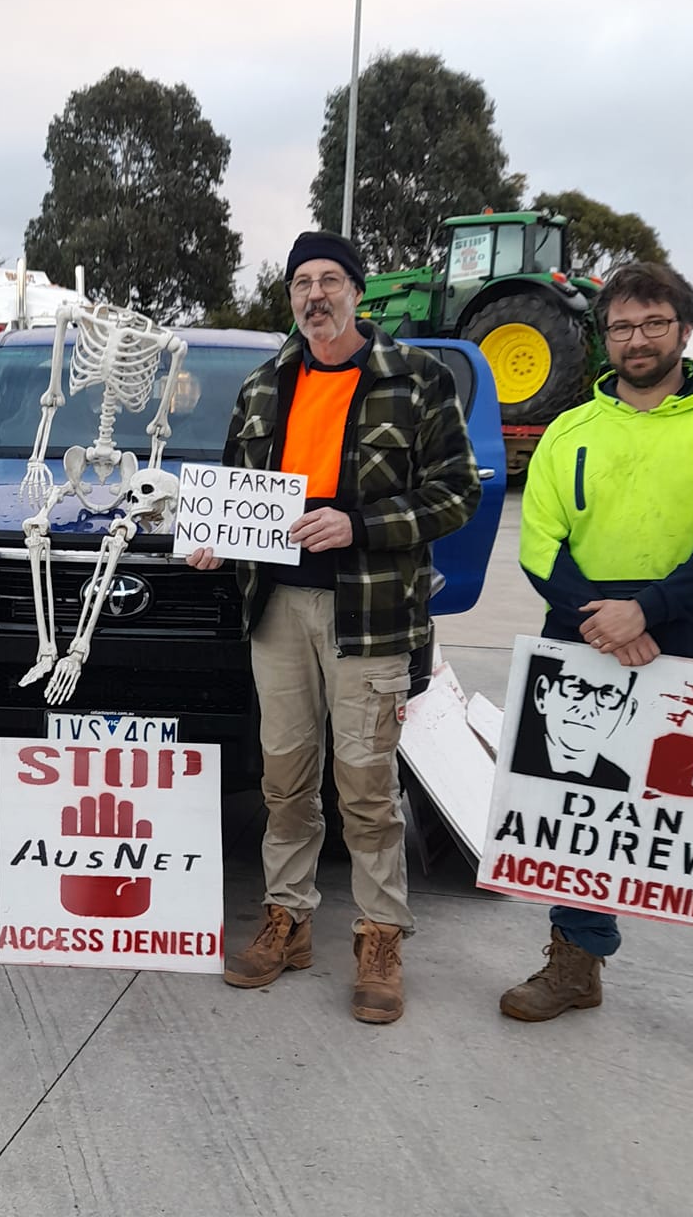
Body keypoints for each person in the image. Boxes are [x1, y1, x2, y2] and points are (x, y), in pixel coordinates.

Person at [500, 259, 693, 1084]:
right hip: (585, 644)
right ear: (605, 337)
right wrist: (602, 620)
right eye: (622, 327)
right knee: (583, 820)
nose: (636, 340)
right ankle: (576, 963)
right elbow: (540, 544)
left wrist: (650, 612)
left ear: (683, 329)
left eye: (653, 324)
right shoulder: (573, 428)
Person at [188, 230, 480, 1023]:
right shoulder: (261, 387)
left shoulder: (415, 382)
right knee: (282, 778)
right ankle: (288, 917)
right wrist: (213, 541)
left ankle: (379, 936)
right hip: (276, 610)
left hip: (371, 612)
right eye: (299, 285)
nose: (313, 296)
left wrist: (361, 524)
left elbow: (459, 495)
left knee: (366, 787)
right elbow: (231, 491)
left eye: (328, 281)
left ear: (357, 290)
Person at [509, 650, 637, 790]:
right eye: (574, 688)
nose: (587, 709)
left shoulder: (623, 783)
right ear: (543, 693)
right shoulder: (513, 761)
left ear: (627, 713)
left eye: (608, 696)